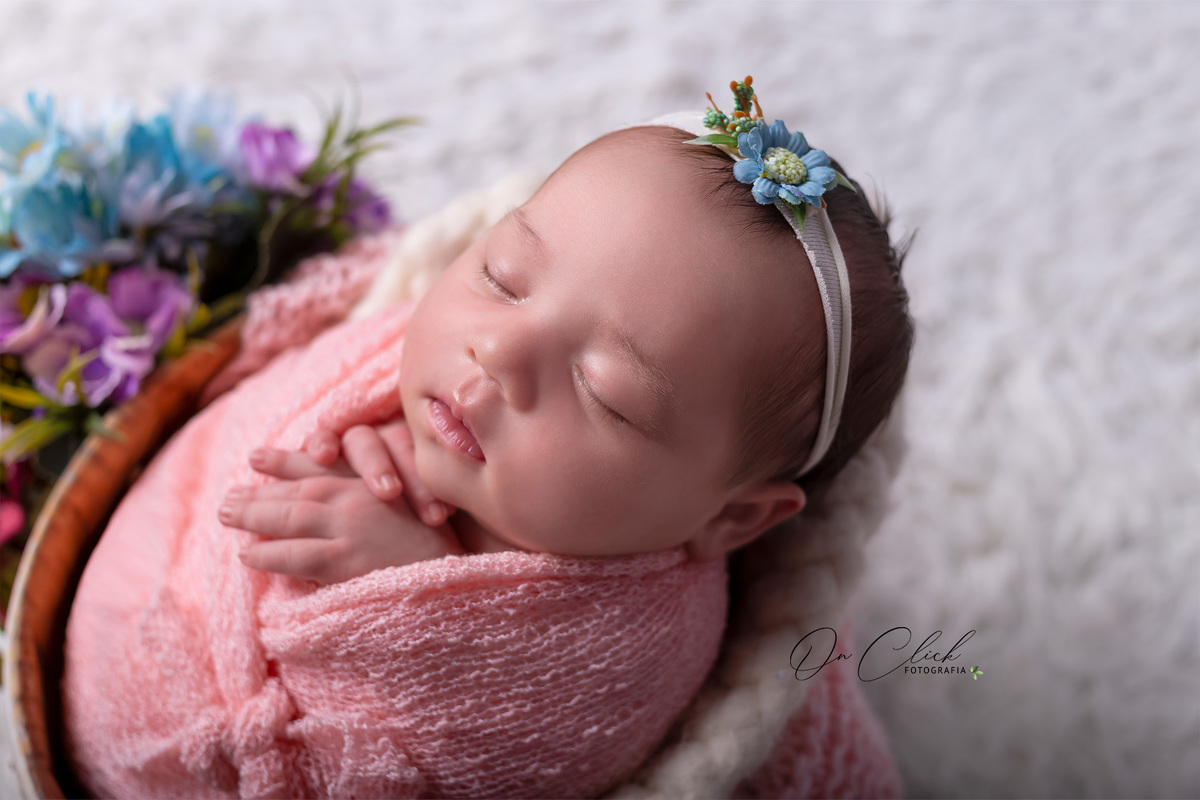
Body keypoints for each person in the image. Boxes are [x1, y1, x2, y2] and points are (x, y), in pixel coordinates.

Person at [62, 79, 913, 798]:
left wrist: (407, 582)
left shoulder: (628, 655)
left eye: (603, 391)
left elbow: (509, 746)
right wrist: (350, 432)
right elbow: (277, 397)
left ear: (732, 520)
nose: (497, 350)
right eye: (503, 277)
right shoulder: (429, 342)